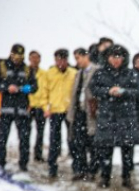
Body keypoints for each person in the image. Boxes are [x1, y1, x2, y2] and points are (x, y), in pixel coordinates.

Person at [89, 44, 139, 189]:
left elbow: (137, 91)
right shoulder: (100, 73)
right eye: (113, 57)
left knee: (127, 151)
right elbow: (93, 89)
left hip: (126, 116)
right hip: (107, 116)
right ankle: (105, 177)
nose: (116, 60)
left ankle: (127, 177)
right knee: (106, 150)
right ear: (107, 58)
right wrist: (108, 91)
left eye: (119, 57)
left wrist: (123, 91)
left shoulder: (130, 73)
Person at [0, 44, 37, 172]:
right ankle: (0, 162)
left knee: (24, 139)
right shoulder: (1, 66)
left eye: (21, 56)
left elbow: (34, 87)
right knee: (3, 138)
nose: (18, 58)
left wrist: (24, 89)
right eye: (16, 55)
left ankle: (23, 165)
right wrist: (6, 88)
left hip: (22, 110)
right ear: (11, 54)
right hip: (6, 109)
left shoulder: (28, 69)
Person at [42, 49, 77, 178]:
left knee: (72, 139)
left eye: (63, 59)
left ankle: (76, 167)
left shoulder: (73, 73)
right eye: (58, 60)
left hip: (70, 111)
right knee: (54, 140)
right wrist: (46, 107)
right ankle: (52, 166)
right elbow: (44, 92)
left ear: (67, 60)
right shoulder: (49, 73)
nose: (60, 62)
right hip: (55, 110)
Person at [67, 48, 98, 181]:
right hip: (79, 112)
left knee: (93, 143)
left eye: (79, 58)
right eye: (76, 58)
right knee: (78, 142)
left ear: (86, 57)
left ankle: (93, 170)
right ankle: (80, 169)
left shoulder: (96, 71)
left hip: (91, 112)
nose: (77, 61)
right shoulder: (78, 73)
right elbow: (74, 93)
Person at [28, 50, 47, 162]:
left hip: (40, 106)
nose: (35, 60)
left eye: (37, 58)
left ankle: (38, 154)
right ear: (29, 59)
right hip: (29, 106)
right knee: (26, 131)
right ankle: (25, 152)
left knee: (40, 132)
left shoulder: (44, 74)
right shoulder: (26, 72)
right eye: (32, 58)